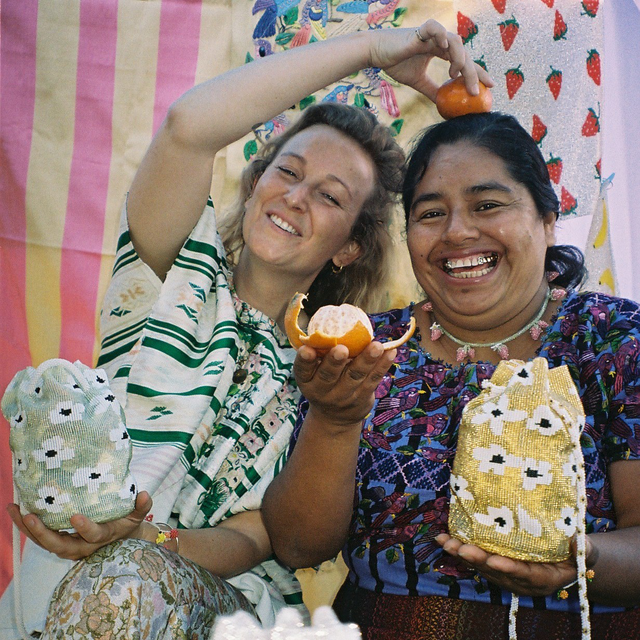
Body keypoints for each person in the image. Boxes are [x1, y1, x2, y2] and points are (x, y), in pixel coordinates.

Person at [6, 18, 490, 640]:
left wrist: (151, 542)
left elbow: (259, 533)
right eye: (287, 172)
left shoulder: (330, 367)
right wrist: (368, 51)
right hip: (62, 573)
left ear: (349, 248)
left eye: (330, 197)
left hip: (208, 605)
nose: (295, 197)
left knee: (124, 585)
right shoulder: (171, 274)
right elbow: (189, 127)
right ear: (256, 180)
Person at [262, 112, 640, 639]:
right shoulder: (366, 348)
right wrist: (335, 416)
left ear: (547, 218)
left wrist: (579, 561)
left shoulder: (614, 339)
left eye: (487, 205)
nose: (458, 232)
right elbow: (298, 547)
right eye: (431, 212)